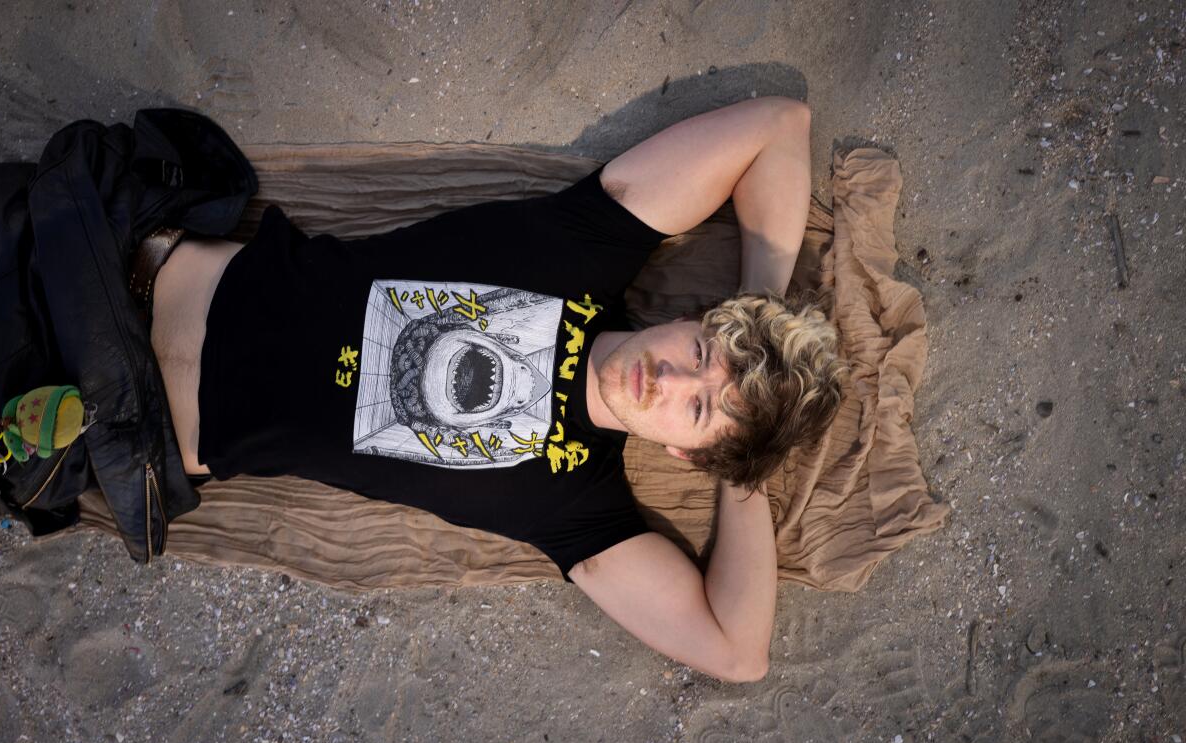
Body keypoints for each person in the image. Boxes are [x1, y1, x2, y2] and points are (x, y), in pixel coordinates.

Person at [146, 97, 843, 683]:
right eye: (700, 352)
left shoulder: (580, 510)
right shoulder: (591, 244)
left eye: (696, 408)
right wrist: (759, 311)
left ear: (687, 456)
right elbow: (781, 126)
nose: (668, 379)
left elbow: (737, 651)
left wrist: (747, 465)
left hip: (125, 426)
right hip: (140, 273)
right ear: (695, 319)